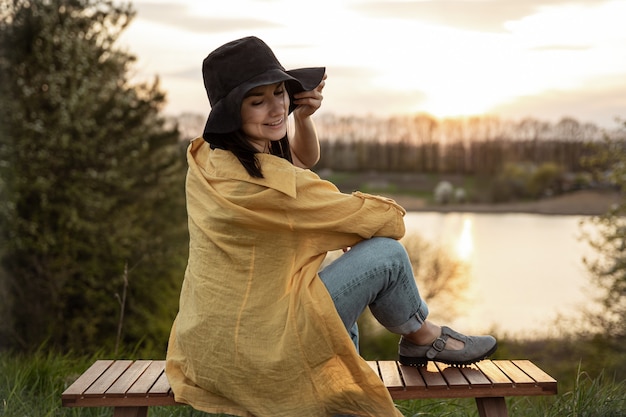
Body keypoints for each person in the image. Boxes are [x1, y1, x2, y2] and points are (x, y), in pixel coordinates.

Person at [165, 36, 497, 417]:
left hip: (209, 348)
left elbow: (302, 159)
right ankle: (423, 337)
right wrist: (357, 231)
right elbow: (389, 222)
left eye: (281, 93)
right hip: (263, 348)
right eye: (259, 101)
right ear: (232, 113)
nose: (278, 108)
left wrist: (302, 118)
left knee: (325, 304)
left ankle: (394, 354)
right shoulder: (274, 186)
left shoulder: (209, 159)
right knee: (385, 254)